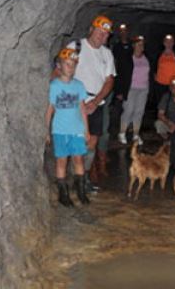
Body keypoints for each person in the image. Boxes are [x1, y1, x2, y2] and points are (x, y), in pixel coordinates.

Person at [67, 15, 116, 191]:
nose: (101, 36)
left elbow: (109, 80)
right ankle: (76, 177)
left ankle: (84, 177)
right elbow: (60, 72)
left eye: (105, 34)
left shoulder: (107, 54)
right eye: (99, 32)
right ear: (91, 29)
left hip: (96, 102)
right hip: (75, 101)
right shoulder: (75, 47)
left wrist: (96, 102)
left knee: (92, 141)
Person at [45, 48, 91, 207]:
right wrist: (47, 131)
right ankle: (63, 195)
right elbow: (50, 109)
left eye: (73, 64)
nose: (70, 67)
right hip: (60, 130)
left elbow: (82, 108)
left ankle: (81, 192)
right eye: (67, 64)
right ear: (60, 66)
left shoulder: (79, 85)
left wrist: (86, 130)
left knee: (79, 160)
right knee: (61, 162)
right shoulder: (54, 86)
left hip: (77, 129)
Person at [117, 35, 150, 145]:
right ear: (133, 46)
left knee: (139, 112)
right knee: (129, 110)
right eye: (138, 45)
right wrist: (120, 91)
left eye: (142, 45)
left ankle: (136, 134)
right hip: (131, 88)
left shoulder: (146, 58)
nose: (140, 47)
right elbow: (120, 74)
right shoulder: (127, 58)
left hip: (143, 89)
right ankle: (122, 133)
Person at [154, 34, 175, 105]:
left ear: (173, 43)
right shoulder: (159, 54)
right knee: (161, 103)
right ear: (164, 43)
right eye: (167, 41)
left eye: (171, 41)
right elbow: (154, 66)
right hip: (160, 84)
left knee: (174, 103)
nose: (169, 43)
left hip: (174, 84)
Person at [154, 75, 175, 139]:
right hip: (170, 124)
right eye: (173, 87)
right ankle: (166, 139)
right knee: (158, 124)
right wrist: (170, 123)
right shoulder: (166, 97)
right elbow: (160, 114)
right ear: (170, 88)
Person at [112, 23, 134, 104]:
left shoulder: (132, 45)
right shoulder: (116, 47)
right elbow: (114, 63)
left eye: (125, 31)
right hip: (120, 77)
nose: (123, 33)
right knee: (119, 104)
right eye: (121, 31)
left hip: (132, 77)